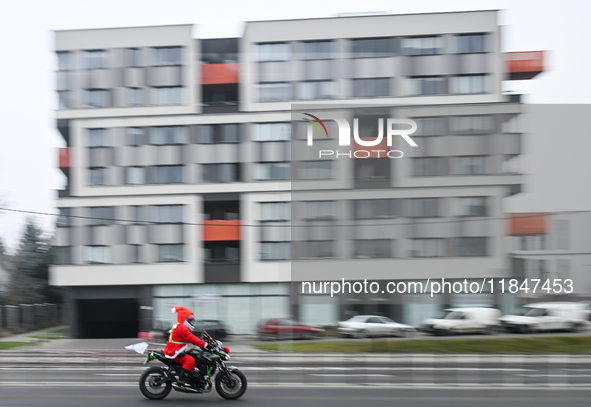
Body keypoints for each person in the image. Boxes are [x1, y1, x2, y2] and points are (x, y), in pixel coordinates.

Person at [164, 306, 208, 388]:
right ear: (184, 319)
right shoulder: (182, 327)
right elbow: (191, 338)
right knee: (191, 361)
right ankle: (181, 379)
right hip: (174, 351)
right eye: (189, 320)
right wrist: (204, 344)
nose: (191, 322)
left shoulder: (180, 326)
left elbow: (191, 337)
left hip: (176, 349)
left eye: (191, 321)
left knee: (193, 355)